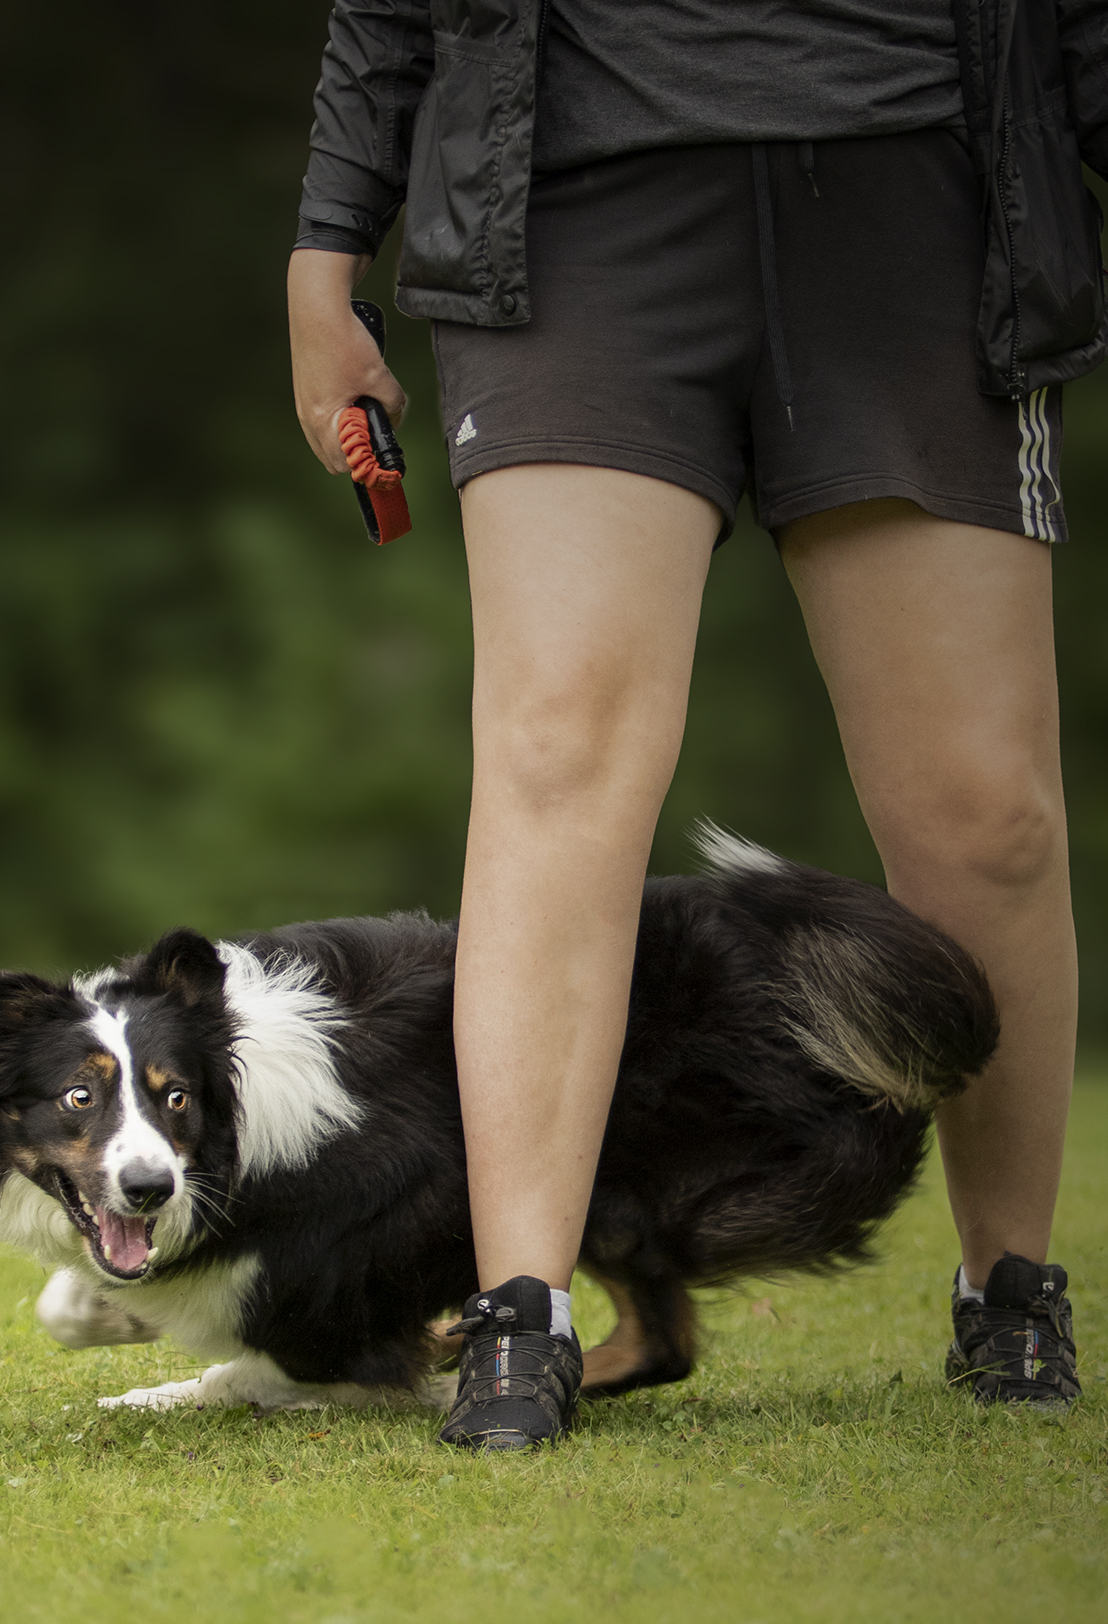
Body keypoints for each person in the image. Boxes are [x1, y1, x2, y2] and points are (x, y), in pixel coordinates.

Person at [288, 0, 1107, 1448]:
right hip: (573, 214)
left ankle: (1011, 1293)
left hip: (929, 197)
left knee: (987, 813)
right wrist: (325, 245)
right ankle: (520, 1312)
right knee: (557, 756)